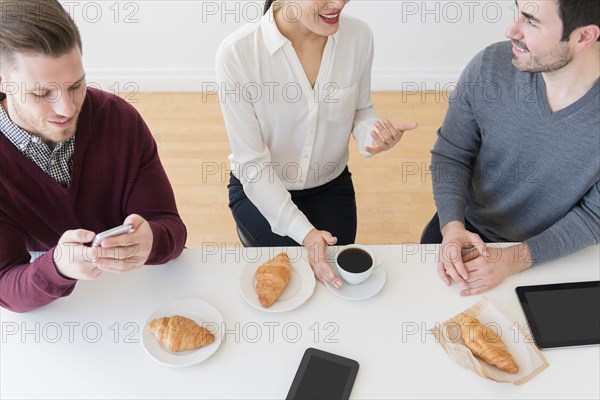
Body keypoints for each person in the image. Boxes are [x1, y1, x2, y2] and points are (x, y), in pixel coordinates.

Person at [0, 0, 187, 312]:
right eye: (42, 94)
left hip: (137, 291)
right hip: (56, 307)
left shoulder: (119, 120)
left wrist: (152, 240)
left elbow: (172, 229)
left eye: (76, 85)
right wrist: (56, 267)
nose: (67, 109)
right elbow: (7, 286)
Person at [216, 0, 417, 288]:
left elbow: (361, 110)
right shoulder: (238, 53)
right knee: (291, 280)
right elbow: (253, 166)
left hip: (330, 184)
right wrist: (306, 234)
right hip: (259, 187)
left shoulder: (359, 37)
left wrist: (372, 135)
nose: (339, 4)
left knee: (340, 277)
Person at [422, 0, 599, 295]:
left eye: (531, 21)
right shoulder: (489, 67)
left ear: (583, 37)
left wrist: (511, 260)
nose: (511, 30)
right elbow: (451, 154)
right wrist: (452, 227)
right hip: (465, 229)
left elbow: (593, 217)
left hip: (553, 254)